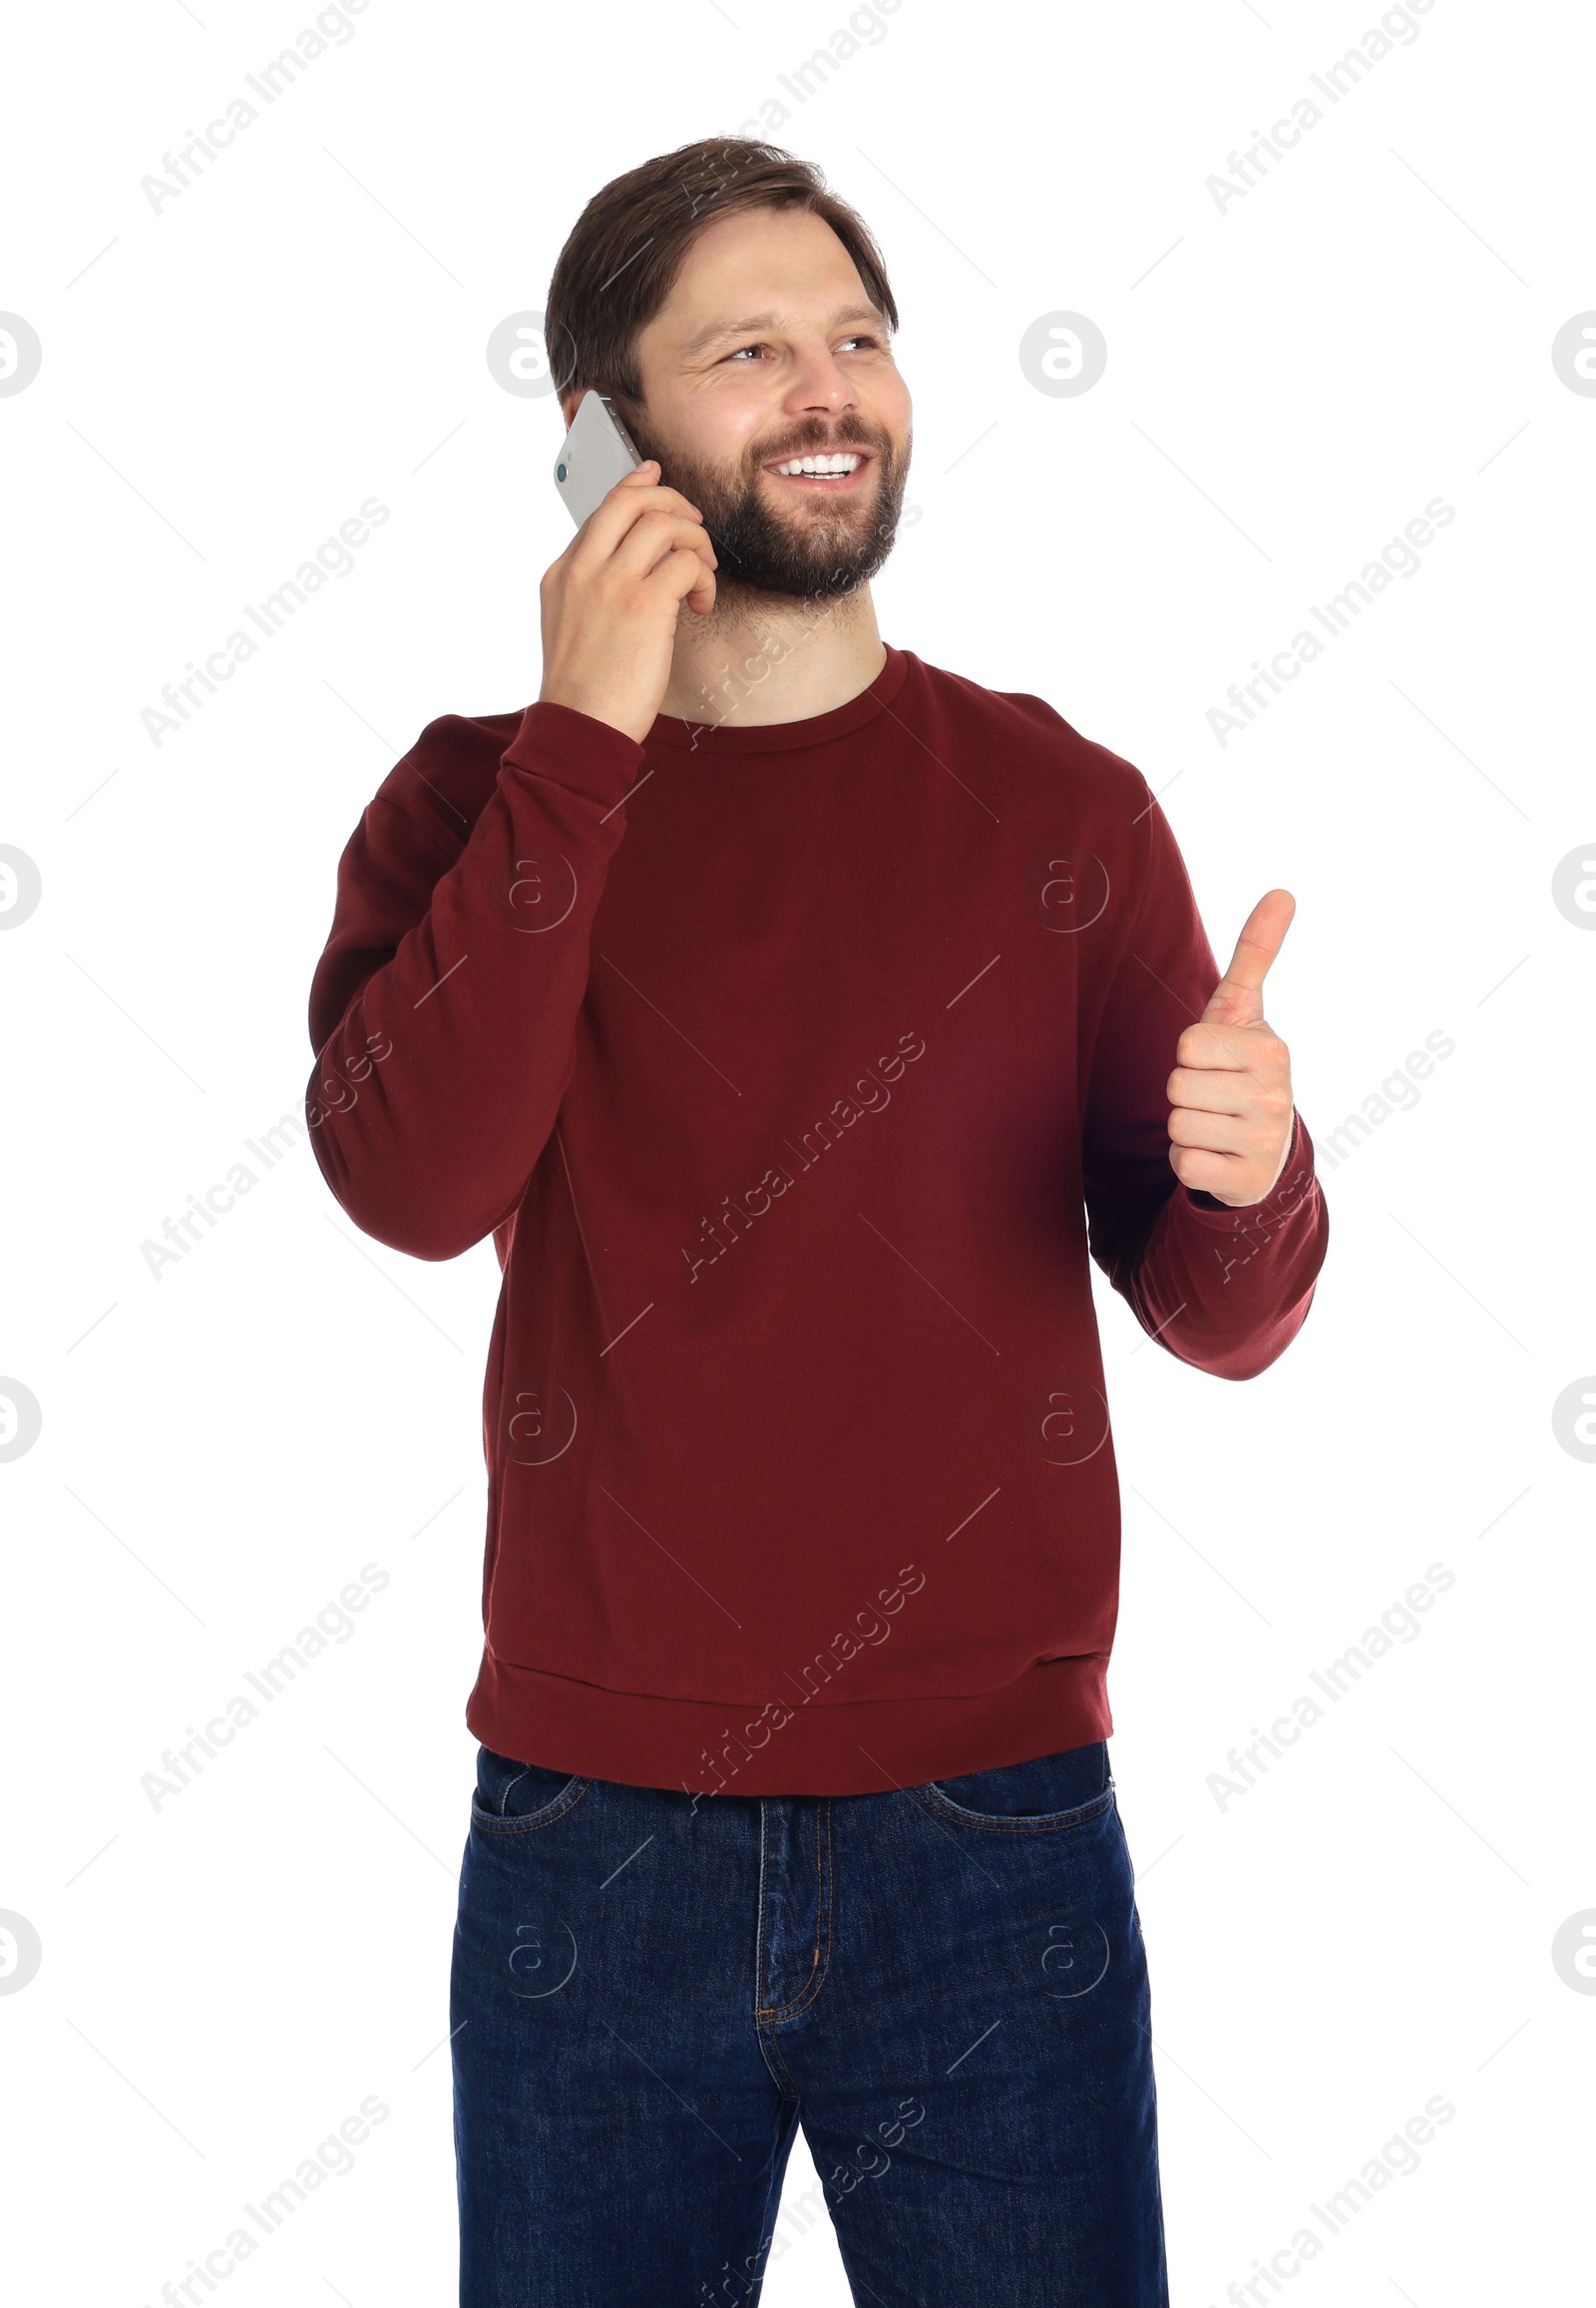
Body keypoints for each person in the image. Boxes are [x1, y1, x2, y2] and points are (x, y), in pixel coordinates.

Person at [305, 136, 1328, 2308]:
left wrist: (1251, 1177)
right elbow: (414, 1180)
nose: (827, 386)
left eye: (854, 336)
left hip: (994, 1826)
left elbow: (1215, 1310)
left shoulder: (1055, 808)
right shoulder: (469, 800)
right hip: (595, 1833)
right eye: (748, 348)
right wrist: (586, 738)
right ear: (601, 434)